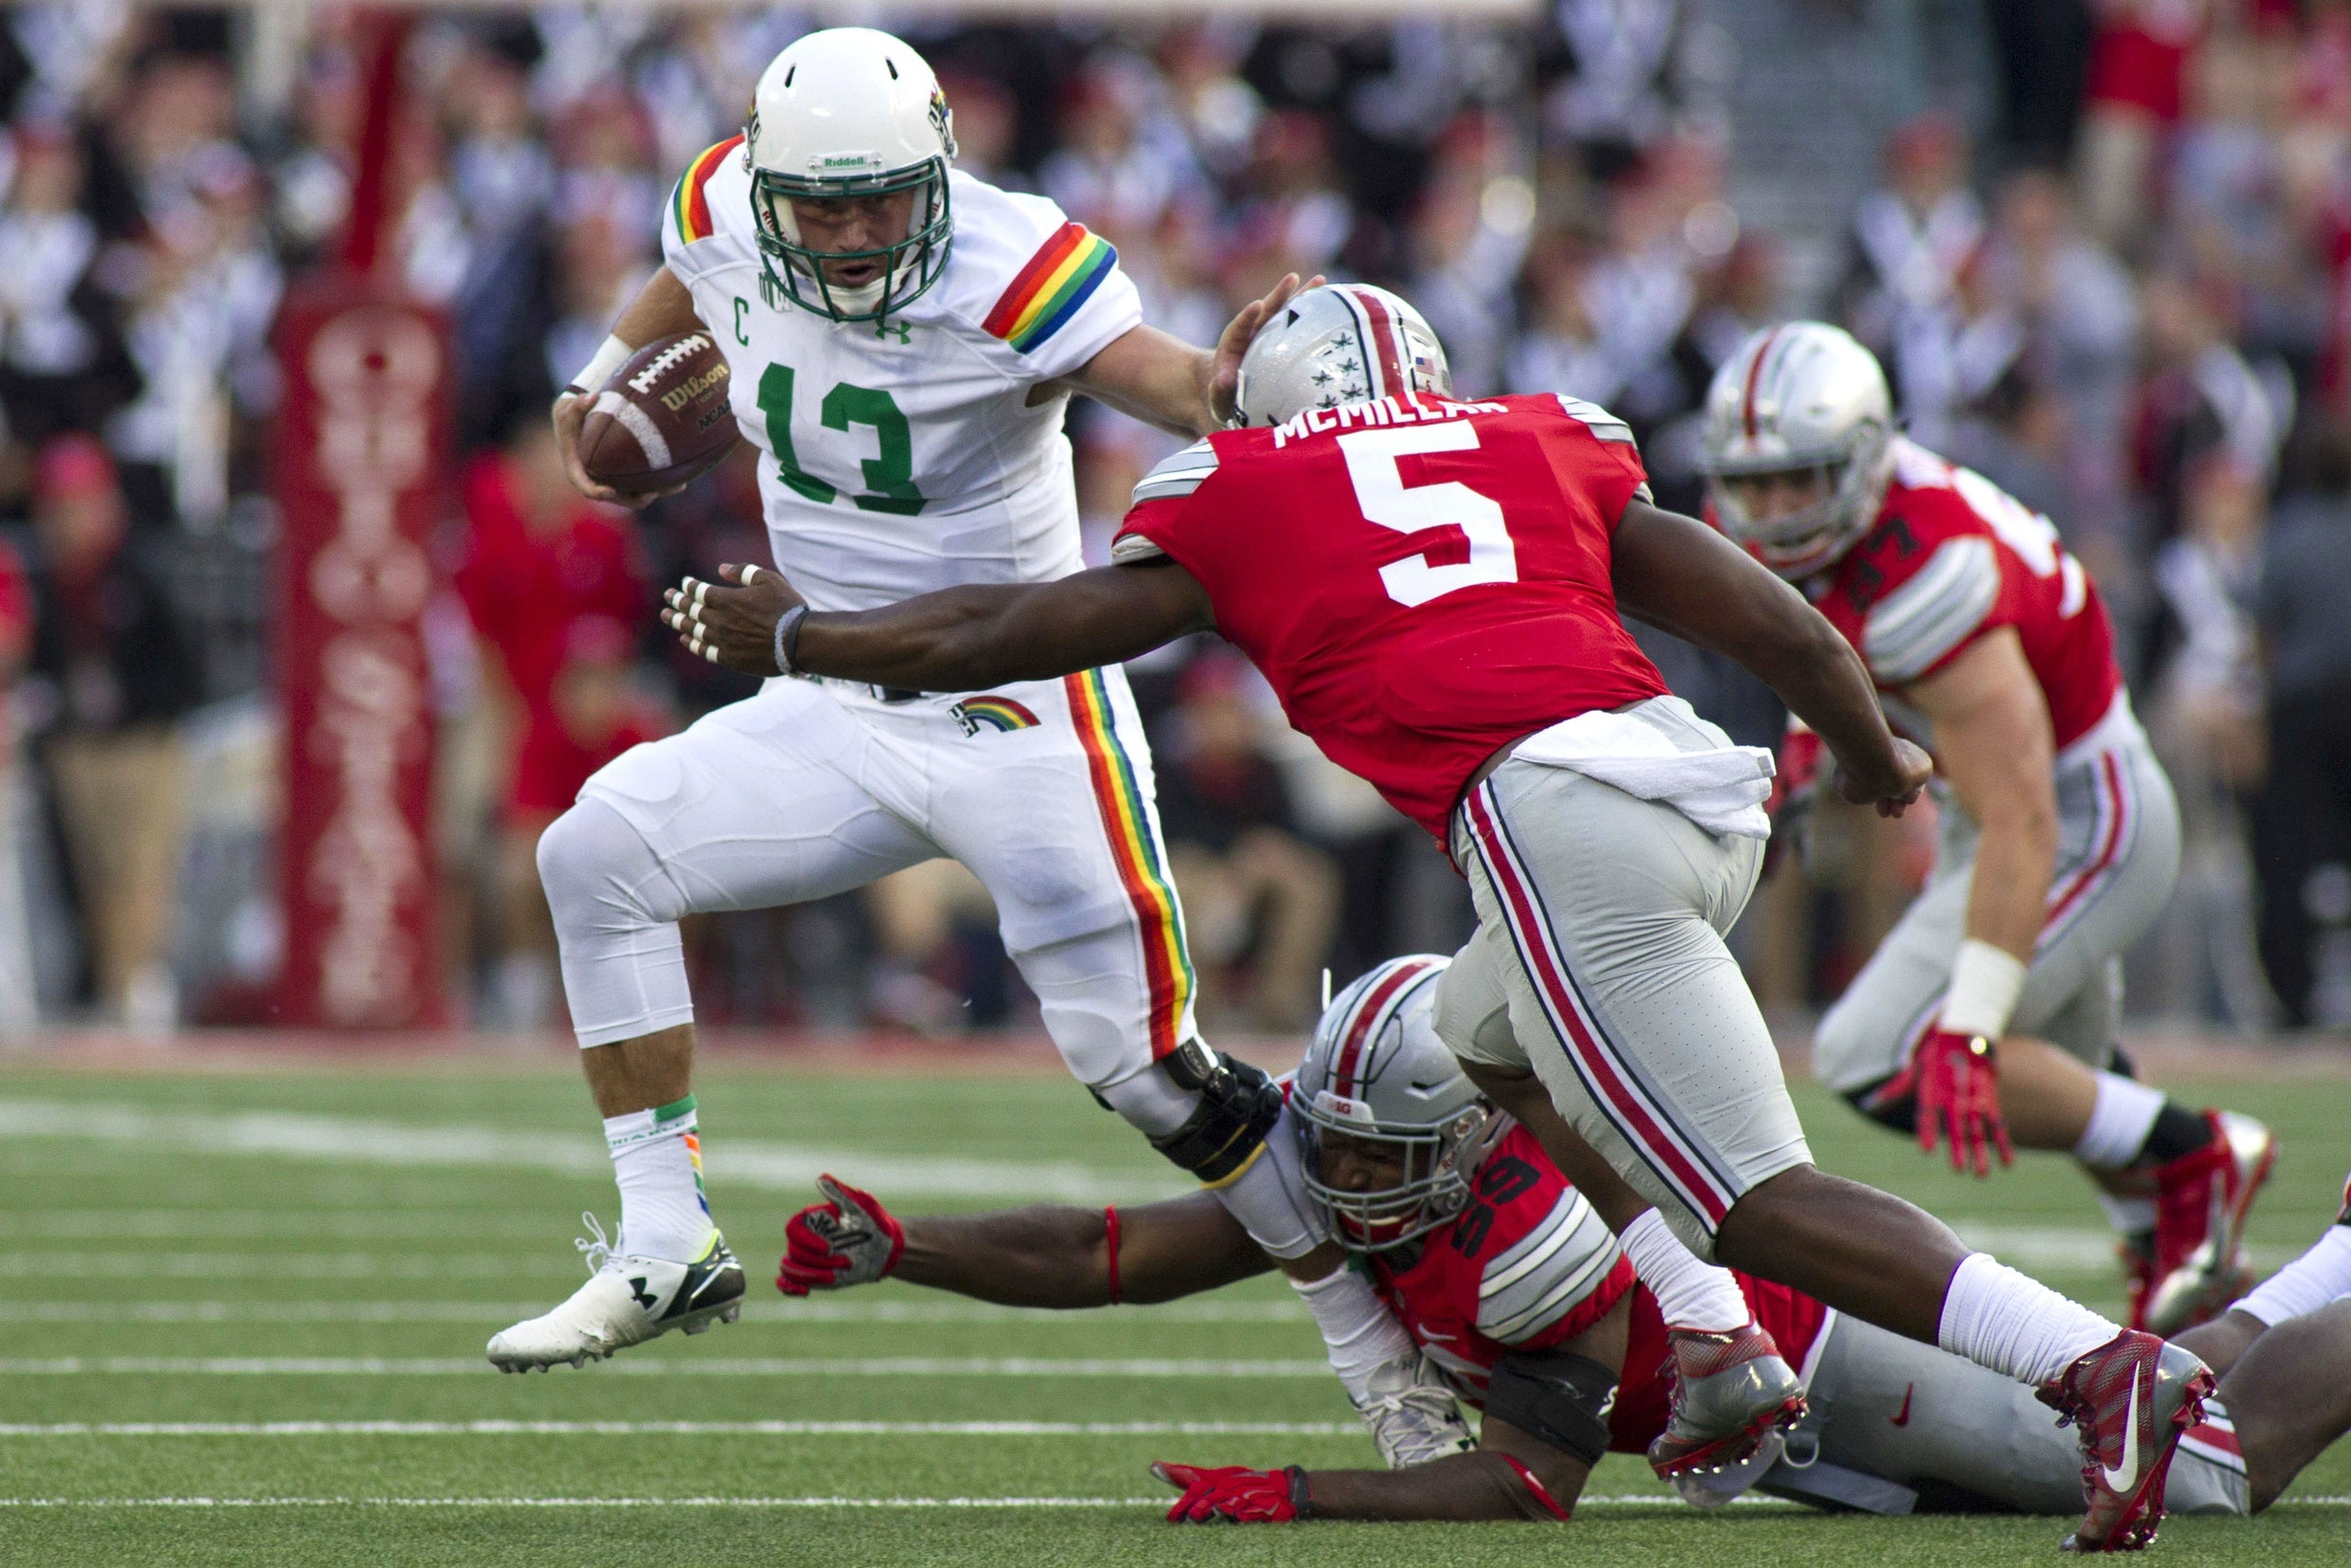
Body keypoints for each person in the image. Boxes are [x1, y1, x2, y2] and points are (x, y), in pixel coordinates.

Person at [665, 281, 2215, 1550]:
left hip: (1548, 820)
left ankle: (2095, 1365)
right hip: (1682, 789)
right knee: (1484, 1041)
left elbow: (1013, 625)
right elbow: (1782, 623)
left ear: (1264, 400)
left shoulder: (1246, 482)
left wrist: (805, 632)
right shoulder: (1541, 437)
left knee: (1756, 1195)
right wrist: (1877, 759)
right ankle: (1719, 1346)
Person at [490, 28, 1465, 1469]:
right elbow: (682, 281)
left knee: (1148, 1075)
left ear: (936, 169)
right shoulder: (717, 206)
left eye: (882, 196)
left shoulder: (1010, 262)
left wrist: (1226, 377)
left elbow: (1167, 382)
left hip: (1019, 708)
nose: (855, 229)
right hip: (827, 695)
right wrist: (604, 386)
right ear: (767, 188)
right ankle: (662, 1237)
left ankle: (1380, 1358)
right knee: (595, 852)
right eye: (821, 204)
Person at [775, 954, 2328, 1527]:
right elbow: (1114, 1248)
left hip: (1850, 1353)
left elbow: (1530, 1478)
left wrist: (1301, 1496)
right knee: (2180, 1377)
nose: (1343, 1179)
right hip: (1792, 1399)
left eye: (1383, 1154)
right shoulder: (1376, 1161)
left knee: (2197, 1463)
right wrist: (909, 1247)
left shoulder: (1527, 1223)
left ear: (1464, 1135)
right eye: (1337, 1142)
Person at [1694, 322, 2275, 1335]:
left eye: (1805, 478)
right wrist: (1805, 740)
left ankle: (2196, 1151)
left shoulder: (1932, 569)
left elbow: (2022, 811)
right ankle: (2172, 1242)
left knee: (1897, 1049)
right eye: (1762, 482)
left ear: (1865, 454)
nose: (1777, 510)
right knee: (2066, 1087)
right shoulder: (1851, 522)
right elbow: (1825, 628)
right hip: (2003, 810)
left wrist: (1966, 1024)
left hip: (2073, 816)